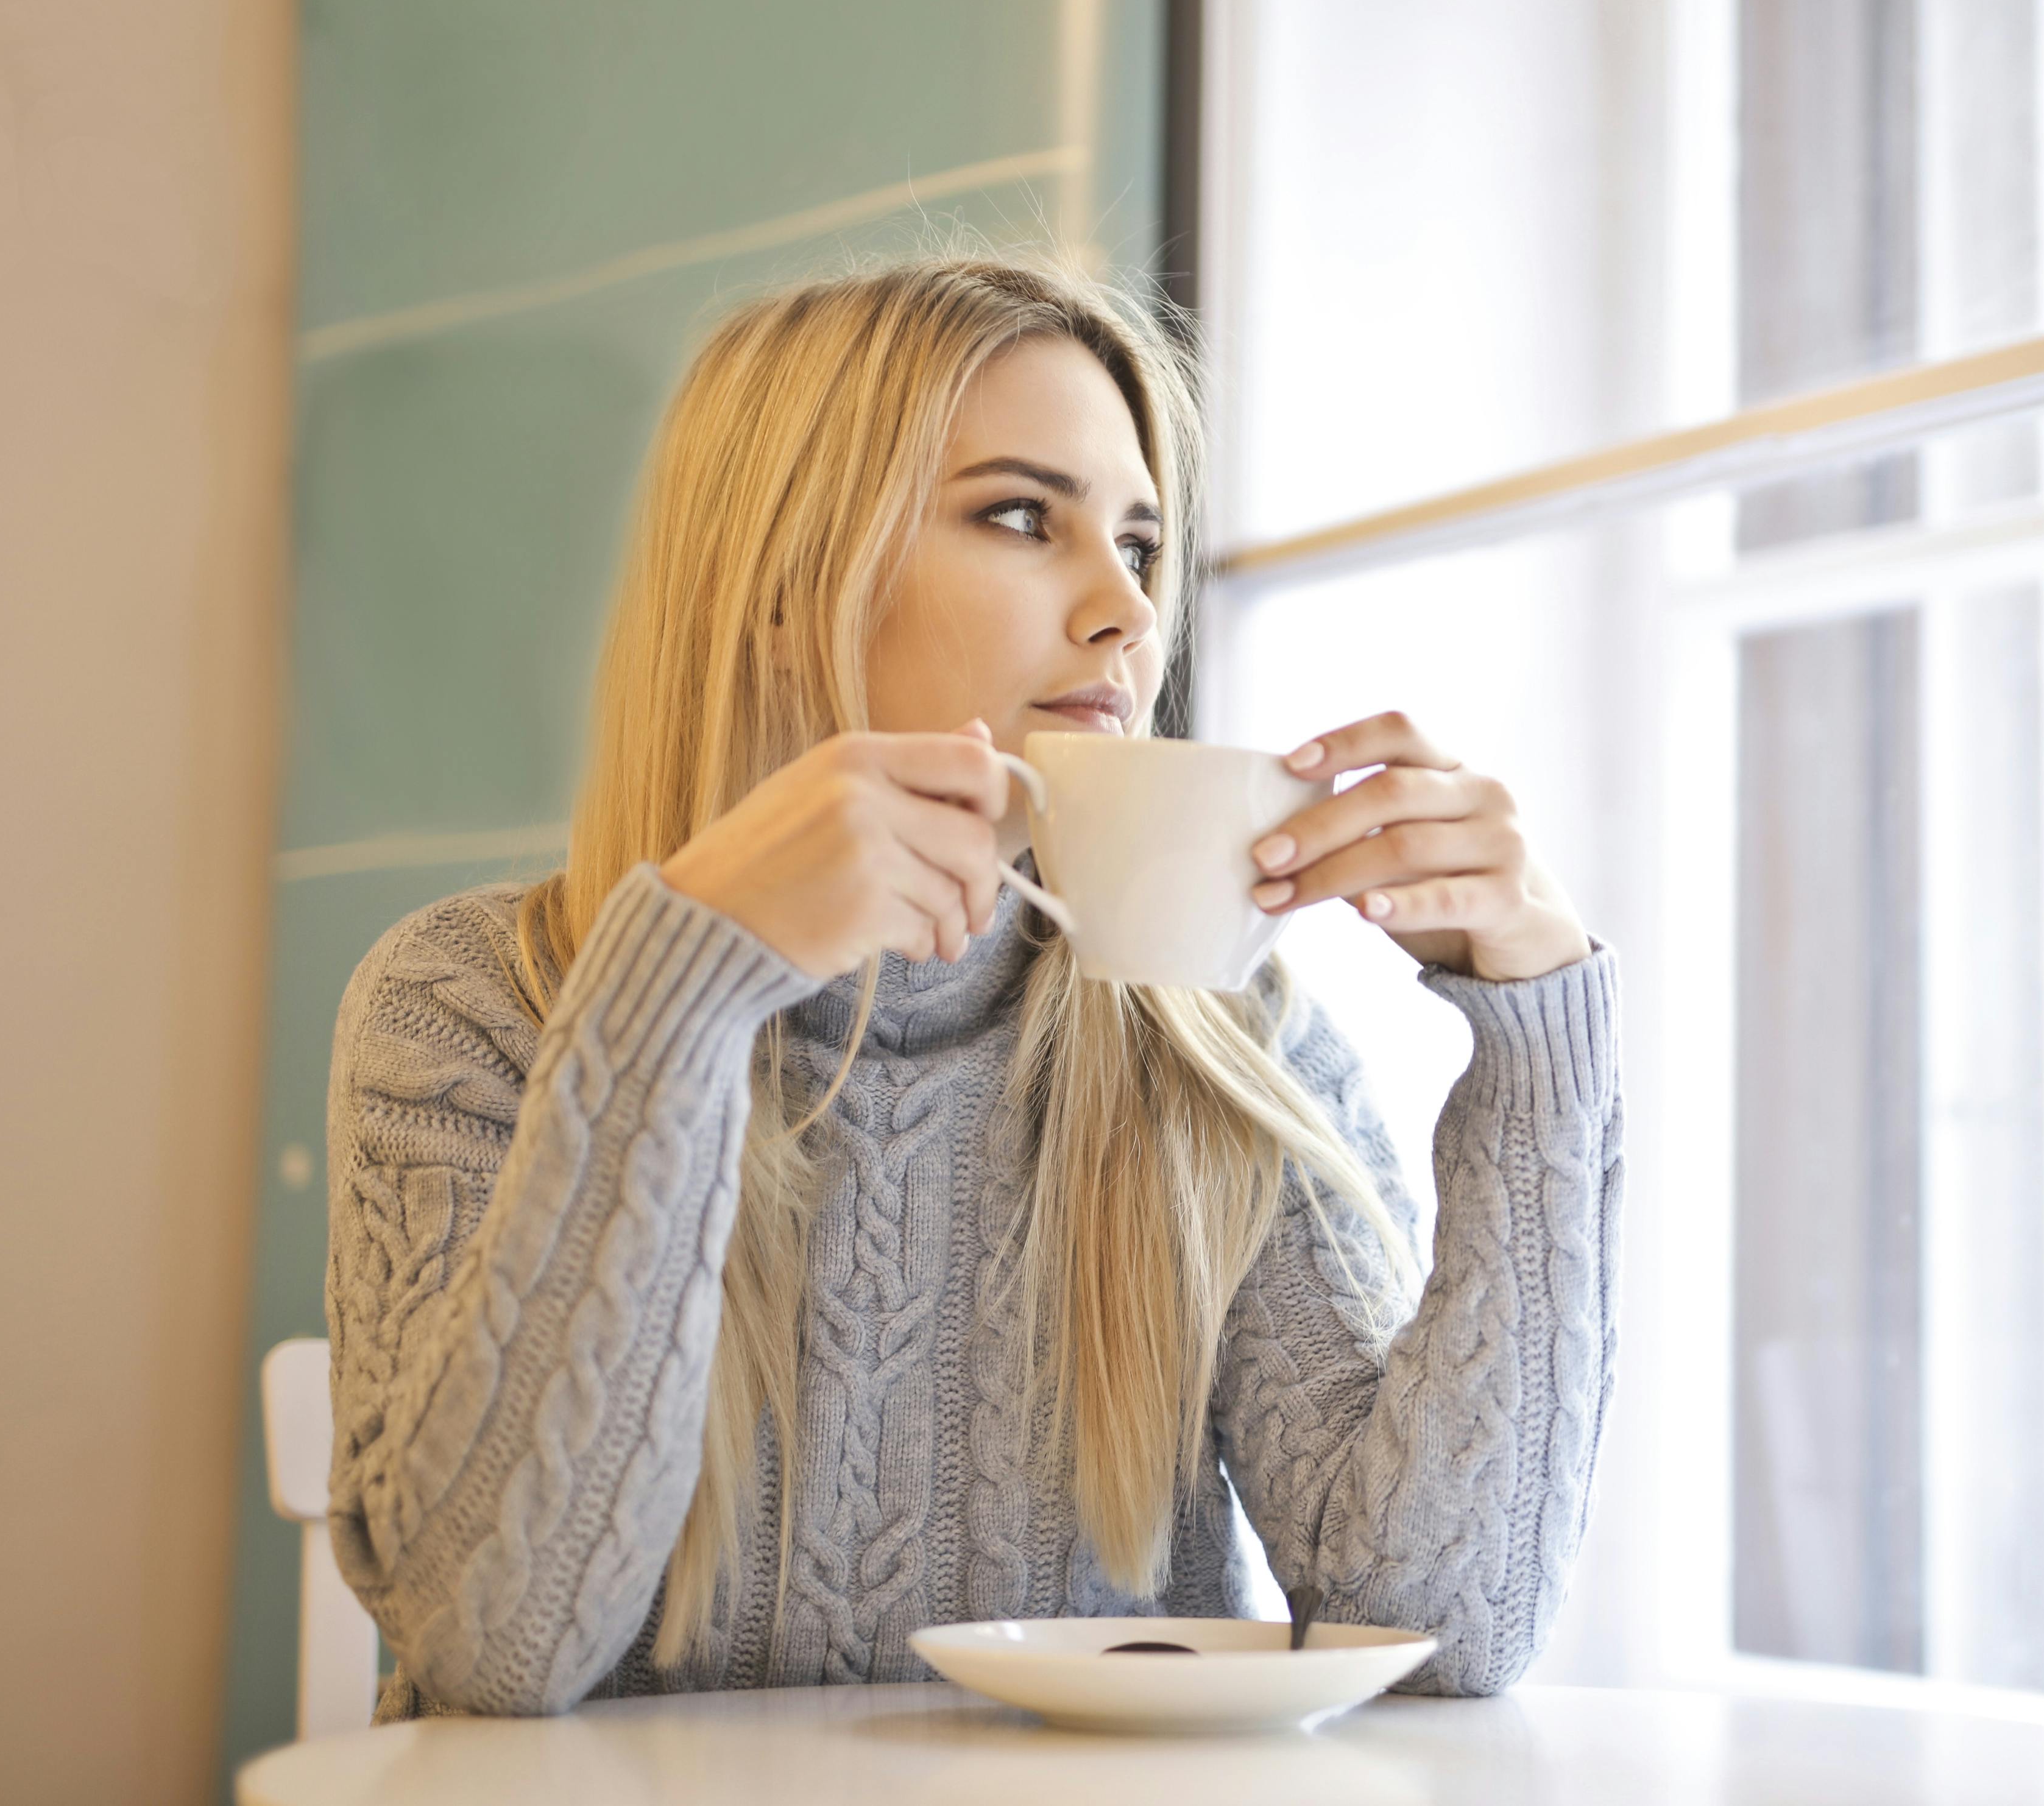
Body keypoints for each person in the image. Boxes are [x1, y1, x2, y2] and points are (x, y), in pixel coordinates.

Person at [321, 254, 1621, 1718]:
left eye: (1138, 542)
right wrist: (679, 996)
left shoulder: (1214, 1047)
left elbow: (1439, 1626)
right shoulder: (469, 1007)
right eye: (1021, 517)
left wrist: (1539, 1048)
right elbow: (487, 1650)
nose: (1128, 613)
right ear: (779, 581)